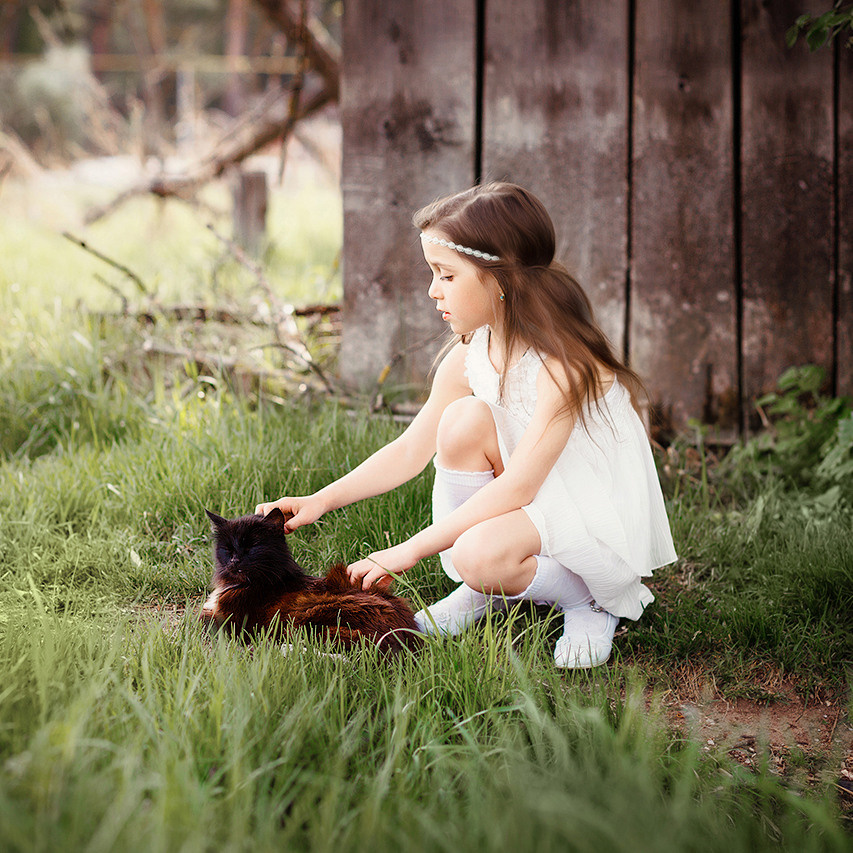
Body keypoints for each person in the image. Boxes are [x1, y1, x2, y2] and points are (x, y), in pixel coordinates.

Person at [256, 182, 676, 668]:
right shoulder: (472, 353)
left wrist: (406, 551)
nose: (432, 290)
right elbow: (412, 449)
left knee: (476, 553)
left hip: (589, 500)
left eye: (446, 275)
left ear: (500, 279)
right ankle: (488, 591)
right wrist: (321, 499)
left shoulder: (562, 366)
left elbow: (519, 486)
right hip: (540, 489)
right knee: (459, 421)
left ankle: (590, 599)